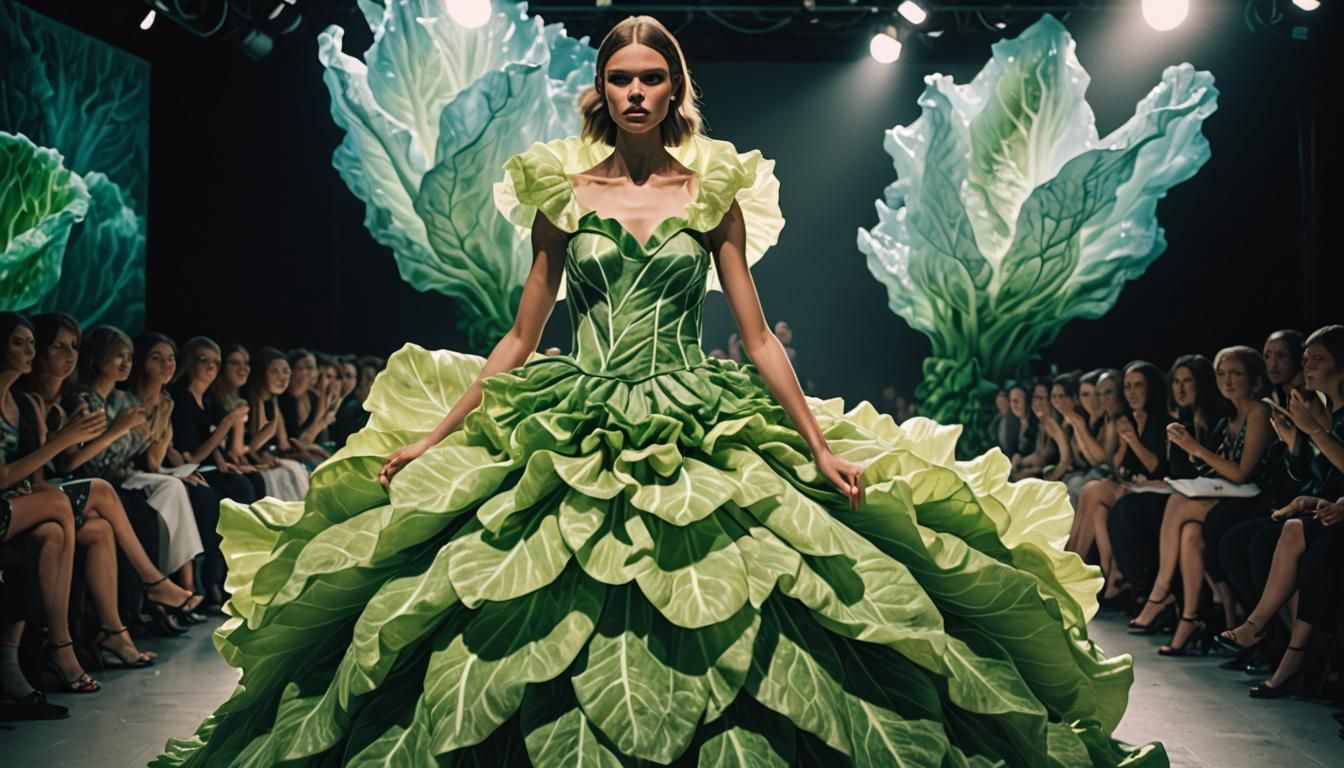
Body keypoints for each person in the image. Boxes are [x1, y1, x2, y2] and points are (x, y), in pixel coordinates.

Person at [154, 16, 1160, 767]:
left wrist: (815, 446)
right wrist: (433, 437)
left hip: (695, 404)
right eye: (620, 78)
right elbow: (519, 334)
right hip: (575, 405)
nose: (636, 92)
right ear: (601, 90)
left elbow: (758, 337)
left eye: (652, 78)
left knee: (779, 591)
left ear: (674, 90)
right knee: (493, 587)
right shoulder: (562, 197)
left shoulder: (711, 193)